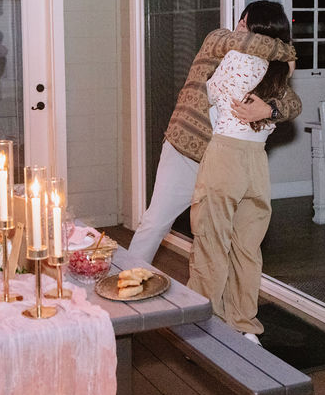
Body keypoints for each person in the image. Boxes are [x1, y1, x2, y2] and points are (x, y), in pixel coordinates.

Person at [127, 14, 300, 264]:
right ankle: (128, 282)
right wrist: (288, 53)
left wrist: (269, 110)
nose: (242, 29)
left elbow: (294, 104)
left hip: (224, 162)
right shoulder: (217, 40)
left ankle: (212, 299)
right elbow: (250, 43)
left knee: (218, 238)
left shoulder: (263, 69)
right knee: (155, 222)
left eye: (250, 27)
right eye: (242, 22)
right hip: (184, 152)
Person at [187, 1, 294, 343]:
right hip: (257, 162)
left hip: (225, 155)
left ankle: (203, 322)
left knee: (210, 240)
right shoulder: (280, 72)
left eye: (241, 22)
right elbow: (289, 105)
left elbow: (211, 93)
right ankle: (245, 325)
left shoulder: (237, 58)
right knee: (248, 248)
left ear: (248, 25)